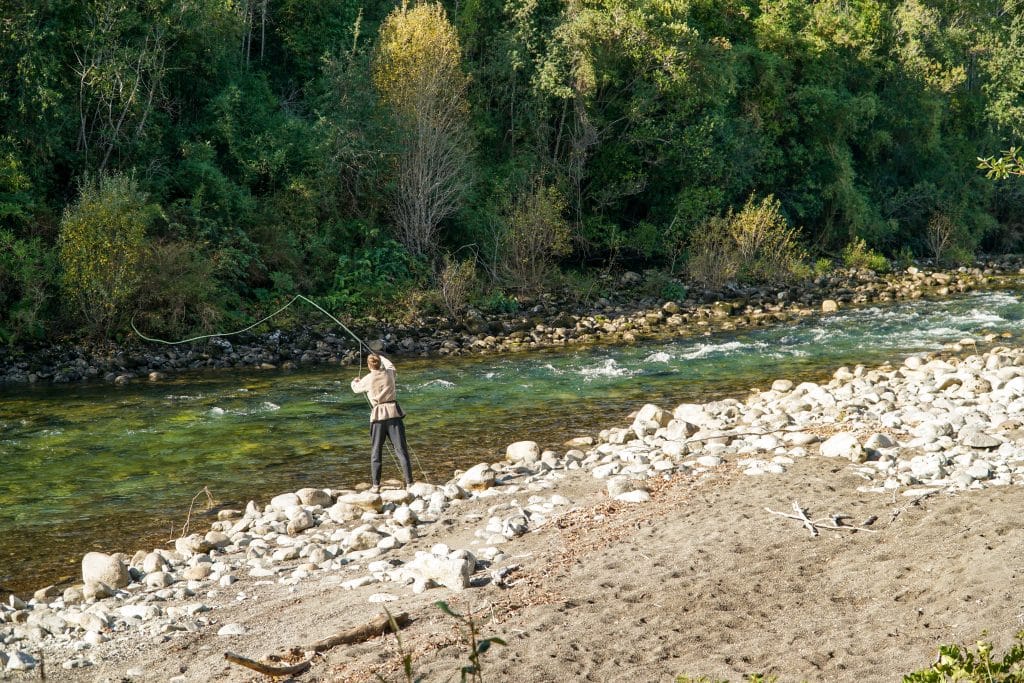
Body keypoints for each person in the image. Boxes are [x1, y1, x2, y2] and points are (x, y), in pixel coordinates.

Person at [350, 354, 413, 492]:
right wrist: (380, 356)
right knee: (401, 450)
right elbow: (391, 365)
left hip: (378, 417)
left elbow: (355, 389)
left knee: (376, 451)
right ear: (380, 363)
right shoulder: (390, 373)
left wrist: (354, 381)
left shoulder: (367, 379)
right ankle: (409, 483)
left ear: (369, 365)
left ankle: (376, 486)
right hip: (393, 414)